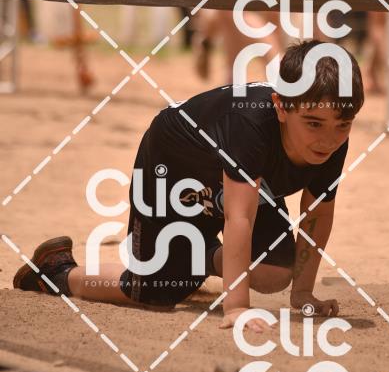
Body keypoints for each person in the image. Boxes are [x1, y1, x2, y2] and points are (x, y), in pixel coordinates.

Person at [14, 42, 364, 332]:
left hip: (233, 184)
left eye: (342, 125)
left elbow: (317, 215)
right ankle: (57, 272)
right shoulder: (250, 125)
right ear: (281, 107)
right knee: (152, 292)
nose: (328, 139)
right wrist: (237, 307)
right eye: (314, 124)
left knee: (274, 272)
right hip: (174, 164)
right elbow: (240, 218)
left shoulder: (332, 141)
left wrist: (302, 293)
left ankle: (194, 255)